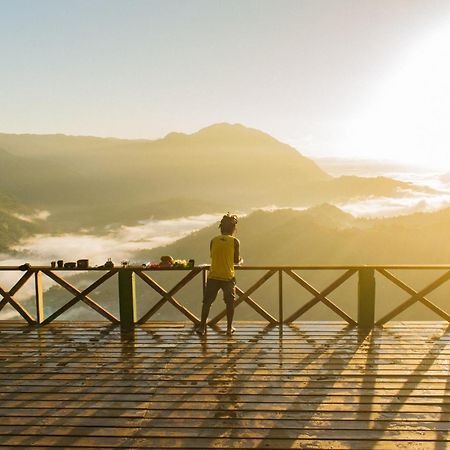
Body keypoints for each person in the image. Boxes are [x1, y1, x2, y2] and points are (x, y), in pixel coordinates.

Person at [195, 213, 242, 336]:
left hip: (213, 275)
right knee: (230, 302)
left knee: (207, 302)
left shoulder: (213, 240)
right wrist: (241, 261)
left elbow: (213, 255)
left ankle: (202, 327)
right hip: (227, 276)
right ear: (233, 229)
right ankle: (229, 328)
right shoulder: (235, 241)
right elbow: (235, 260)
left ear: (221, 228)